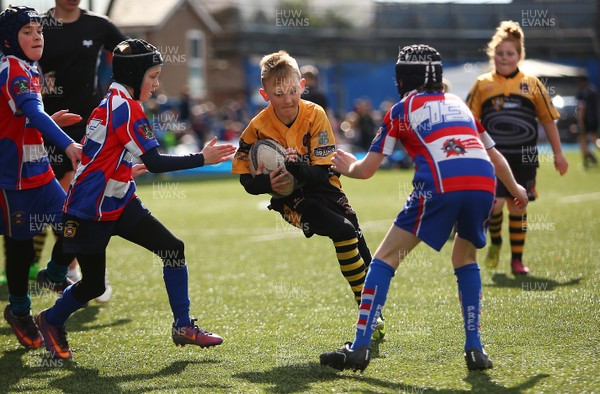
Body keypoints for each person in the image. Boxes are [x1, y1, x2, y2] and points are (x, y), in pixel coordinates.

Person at [319, 44, 528, 372]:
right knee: (465, 259)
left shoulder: (401, 109)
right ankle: (475, 348)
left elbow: (367, 170)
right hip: (484, 184)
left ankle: (359, 348)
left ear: (402, 80)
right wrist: (515, 189)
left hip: (441, 185)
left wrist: (347, 165)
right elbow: (493, 154)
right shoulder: (459, 103)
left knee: (385, 259)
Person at [35, 38, 236, 360]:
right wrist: (203, 158)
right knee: (93, 287)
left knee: (172, 248)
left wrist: (125, 168)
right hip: (90, 210)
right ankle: (50, 318)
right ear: (134, 74)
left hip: (119, 200)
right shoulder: (127, 108)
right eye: (153, 76)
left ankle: (183, 326)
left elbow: (98, 153)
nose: (157, 85)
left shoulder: (112, 101)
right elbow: (156, 163)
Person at [231, 51, 381, 335]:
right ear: (265, 94)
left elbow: (324, 172)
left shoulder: (316, 114)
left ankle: (373, 309)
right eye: (278, 93)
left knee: (362, 249)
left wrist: (295, 165)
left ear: (301, 85)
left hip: (325, 186)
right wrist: (268, 184)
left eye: (292, 90)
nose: (287, 99)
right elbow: (246, 182)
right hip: (292, 200)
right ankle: (367, 312)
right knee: (344, 231)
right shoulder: (256, 129)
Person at [31, 0, 127, 301]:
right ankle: (71, 268)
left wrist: (123, 92)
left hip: (90, 125)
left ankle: (85, 271)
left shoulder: (98, 25)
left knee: (80, 199)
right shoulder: (38, 27)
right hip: (46, 123)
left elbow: (131, 56)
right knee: (60, 205)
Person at [0, 5, 83, 349]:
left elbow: (27, 115)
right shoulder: (13, 68)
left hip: (39, 172)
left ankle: (51, 274)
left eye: (39, 31)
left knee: (76, 225)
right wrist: (67, 144)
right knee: (19, 251)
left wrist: (49, 121)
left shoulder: (29, 66)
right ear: (9, 40)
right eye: (27, 32)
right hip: (12, 179)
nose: (36, 37)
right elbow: (31, 111)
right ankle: (20, 311)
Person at [466, 21, 568, 275]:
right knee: (496, 204)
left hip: (525, 158)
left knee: (518, 205)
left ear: (519, 55)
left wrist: (558, 154)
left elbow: (548, 119)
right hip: (493, 158)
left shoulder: (532, 84)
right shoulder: (482, 84)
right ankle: (497, 242)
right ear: (493, 55)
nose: (504, 58)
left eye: (510, 53)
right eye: (499, 53)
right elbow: (469, 121)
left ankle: (517, 260)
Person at [575, 76, 599, 167]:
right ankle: (589, 156)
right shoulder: (594, 90)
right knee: (594, 139)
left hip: (586, 120)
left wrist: (580, 121)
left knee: (582, 139)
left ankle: (587, 157)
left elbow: (582, 108)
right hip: (595, 119)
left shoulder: (582, 92)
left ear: (581, 82)